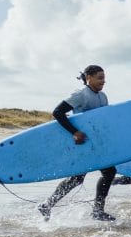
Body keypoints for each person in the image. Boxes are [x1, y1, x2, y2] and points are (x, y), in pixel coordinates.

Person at [38, 65, 117, 222]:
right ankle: (48, 205)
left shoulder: (103, 96)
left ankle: (97, 210)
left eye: (104, 78)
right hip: (83, 144)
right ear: (89, 77)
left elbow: (103, 120)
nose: (103, 81)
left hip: (96, 143)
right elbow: (58, 112)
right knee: (78, 178)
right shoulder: (81, 94)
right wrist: (74, 132)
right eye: (99, 77)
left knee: (108, 173)